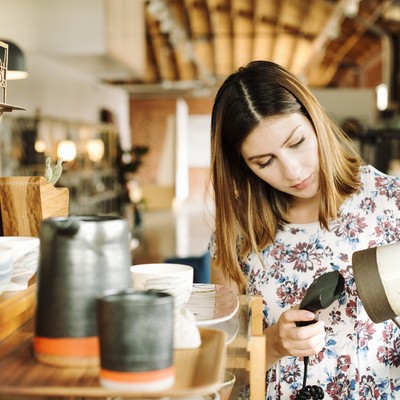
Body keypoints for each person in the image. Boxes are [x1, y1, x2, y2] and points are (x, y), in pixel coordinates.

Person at [208, 60, 400, 399]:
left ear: (315, 121)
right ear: (242, 165)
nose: (293, 171)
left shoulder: (389, 202)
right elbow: (222, 372)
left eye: (296, 142)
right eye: (265, 162)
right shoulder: (238, 232)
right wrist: (272, 344)